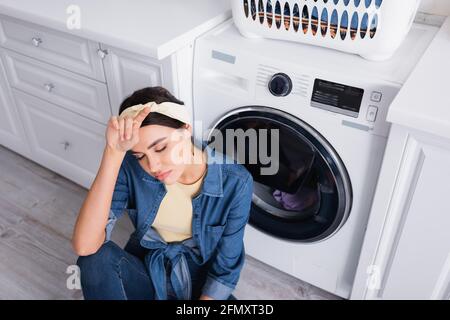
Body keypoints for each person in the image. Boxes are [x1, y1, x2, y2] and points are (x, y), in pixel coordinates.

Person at [71, 86, 253, 300]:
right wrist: (113, 153)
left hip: (198, 284)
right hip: (148, 271)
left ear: (186, 129)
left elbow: (225, 269)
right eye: (140, 156)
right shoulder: (130, 167)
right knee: (93, 261)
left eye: (160, 148)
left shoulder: (236, 182)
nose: (154, 165)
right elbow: (85, 245)